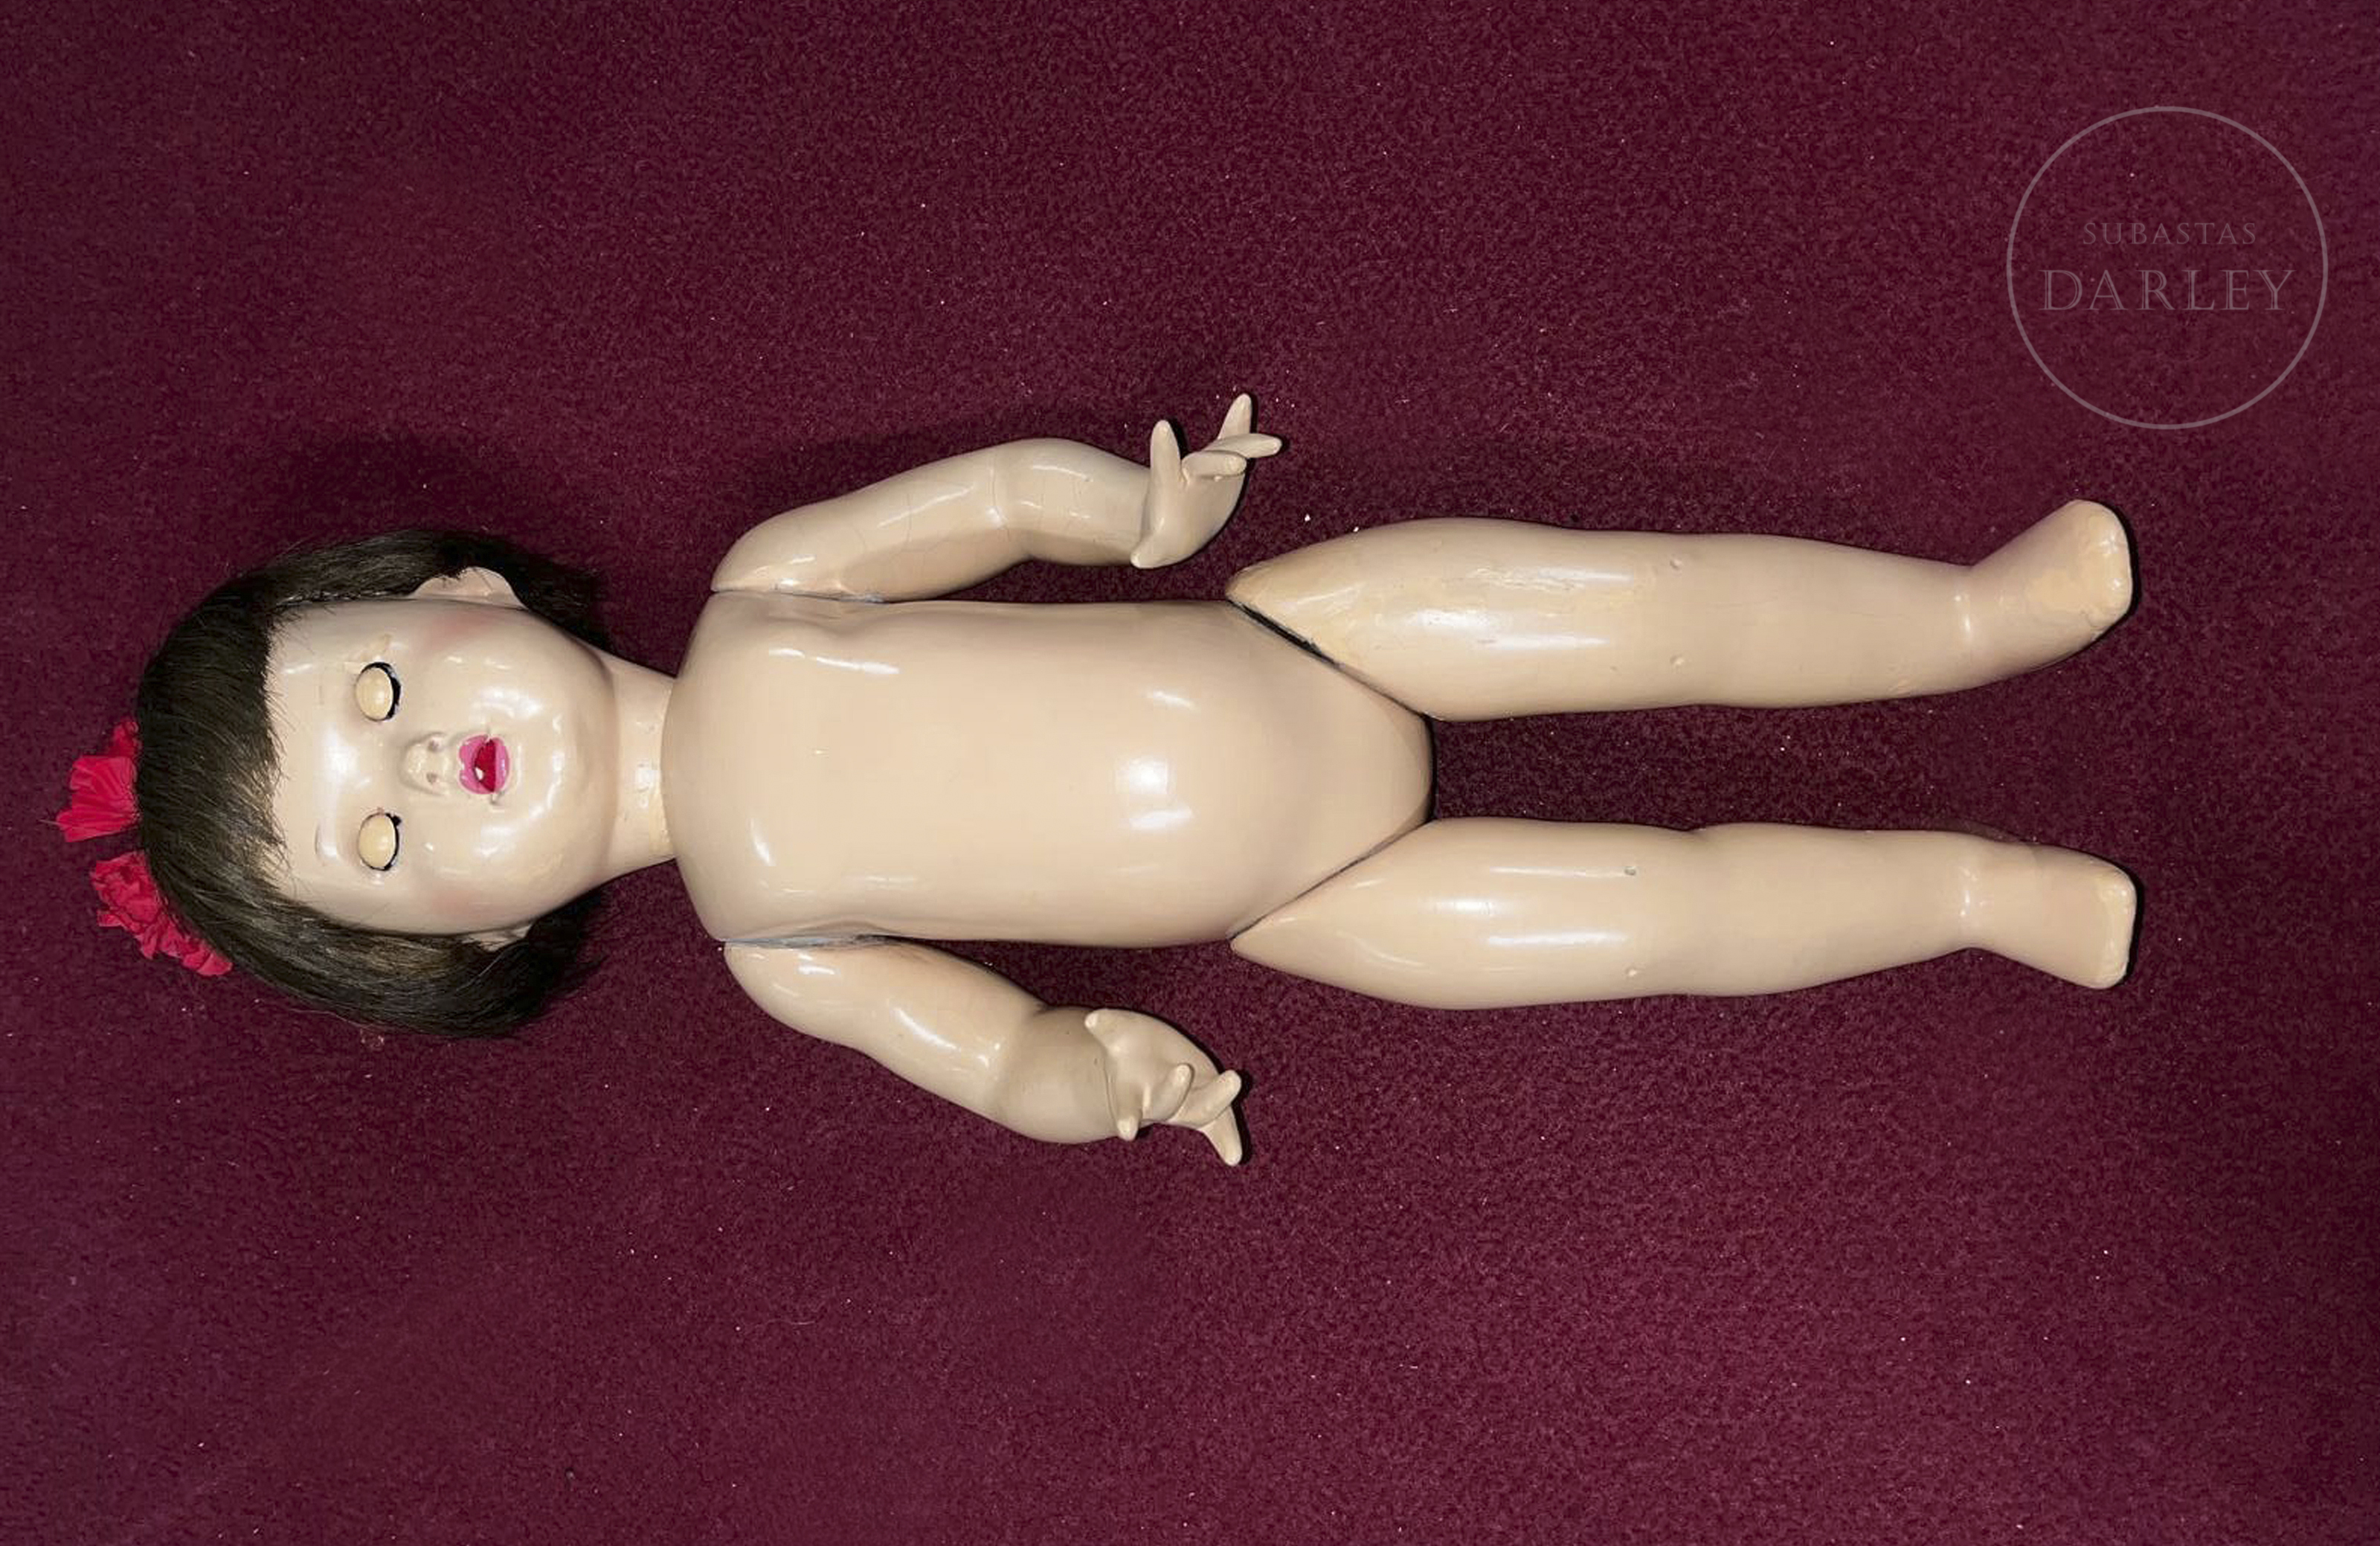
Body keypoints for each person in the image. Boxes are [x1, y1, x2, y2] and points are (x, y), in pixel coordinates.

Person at [67, 397, 2138, 1166]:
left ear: (457, 590)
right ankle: (1974, 894)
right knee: (1660, 915)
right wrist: (1099, 1080)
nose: (418, 768)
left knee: (1641, 602)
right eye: (386, 842)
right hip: (1305, 906)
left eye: (373, 696)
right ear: (475, 936)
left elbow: (979, 502)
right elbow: (984, 1050)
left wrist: (1130, 514)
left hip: (1297, 632)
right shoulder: (780, 942)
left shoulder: (771, 589)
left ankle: (1973, 614)